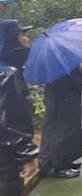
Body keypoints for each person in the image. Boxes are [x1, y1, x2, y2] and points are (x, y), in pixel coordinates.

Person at [0, 19, 39, 195]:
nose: (27, 39)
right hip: (5, 158)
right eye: (22, 35)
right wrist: (28, 155)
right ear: (9, 39)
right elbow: (11, 121)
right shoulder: (8, 74)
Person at [39, 66, 82, 178]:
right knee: (64, 135)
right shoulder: (66, 65)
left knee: (62, 133)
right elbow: (79, 82)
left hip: (58, 102)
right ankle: (60, 166)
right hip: (66, 104)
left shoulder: (52, 66)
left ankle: (65, 161)